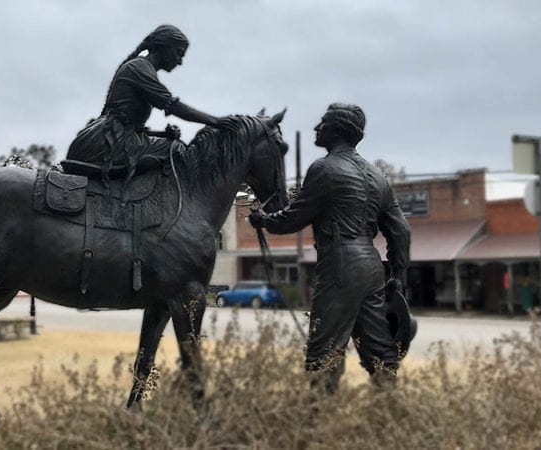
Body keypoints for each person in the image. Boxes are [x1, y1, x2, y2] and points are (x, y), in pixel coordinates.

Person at [249, 103, 411, 392]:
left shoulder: (323, 170)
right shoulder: (379, 177)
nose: (316, 128)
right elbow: (401, 230)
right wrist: (396, 273)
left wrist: (264, 221)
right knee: (378, 347)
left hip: (340, 263)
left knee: (325, 348)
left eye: (322, 123)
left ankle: (320, 418)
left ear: (336, 130)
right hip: (372, 267)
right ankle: (389, 410)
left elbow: (293, 217)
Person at [66, 25, 227, 179]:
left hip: (110, 138)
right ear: (164, 47)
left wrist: (162, 135)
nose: (179, 61)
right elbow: (173, 106)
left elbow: (130, 128)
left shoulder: (141, 67)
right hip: (104, 144)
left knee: (171, 144)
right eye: (178, 53)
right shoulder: (139, 68)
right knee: (175, 149)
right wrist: (215, 121)